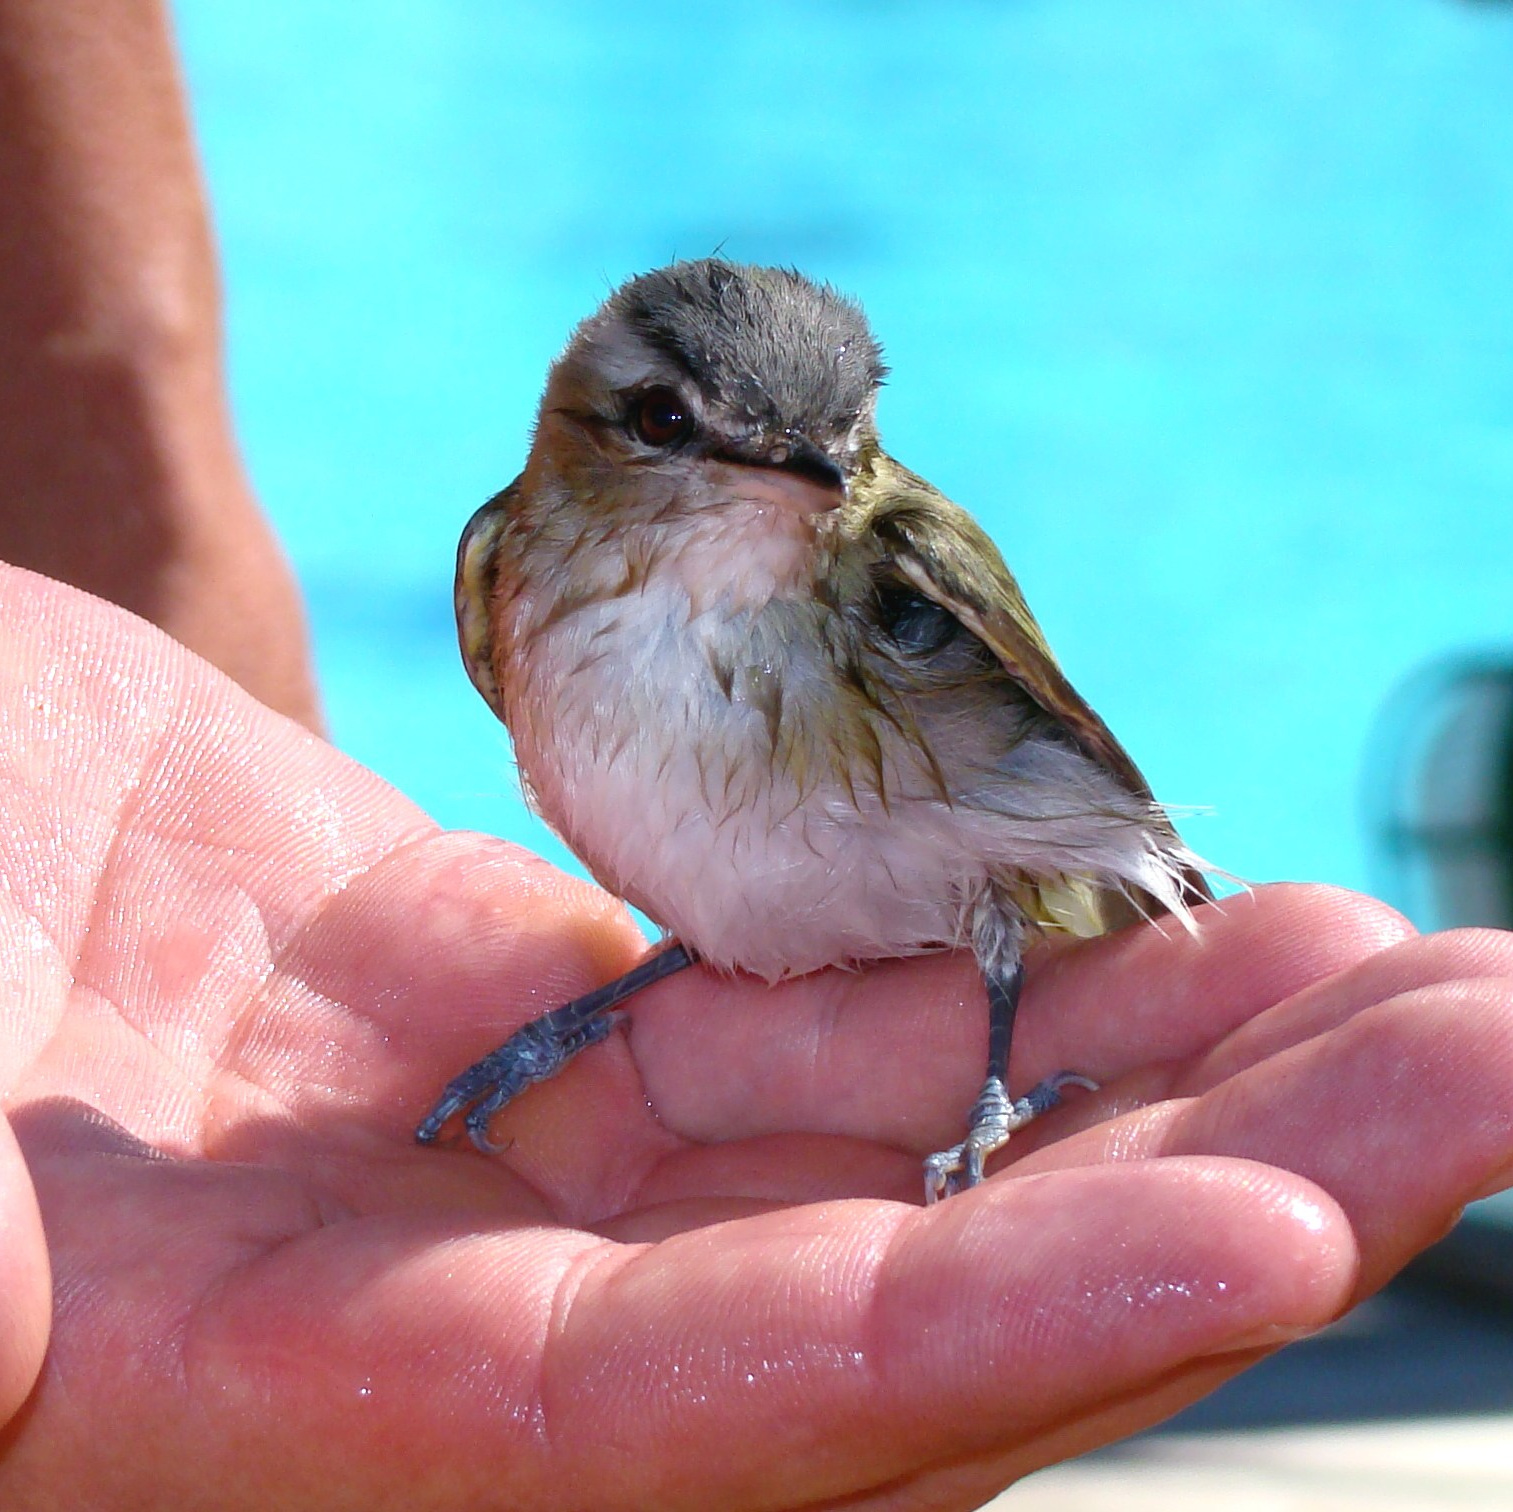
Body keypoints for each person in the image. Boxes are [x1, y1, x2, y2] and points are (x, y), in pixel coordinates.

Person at [1, 5, 1511, 1510]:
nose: (790, 483)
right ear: (590, 423)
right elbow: (714, 883)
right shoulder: (508, 564)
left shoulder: (892, 567)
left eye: (829, 456)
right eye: (674, 430)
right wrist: (568, 1020)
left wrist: (997, 1091)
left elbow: (1070, 755)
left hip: (993, 883)